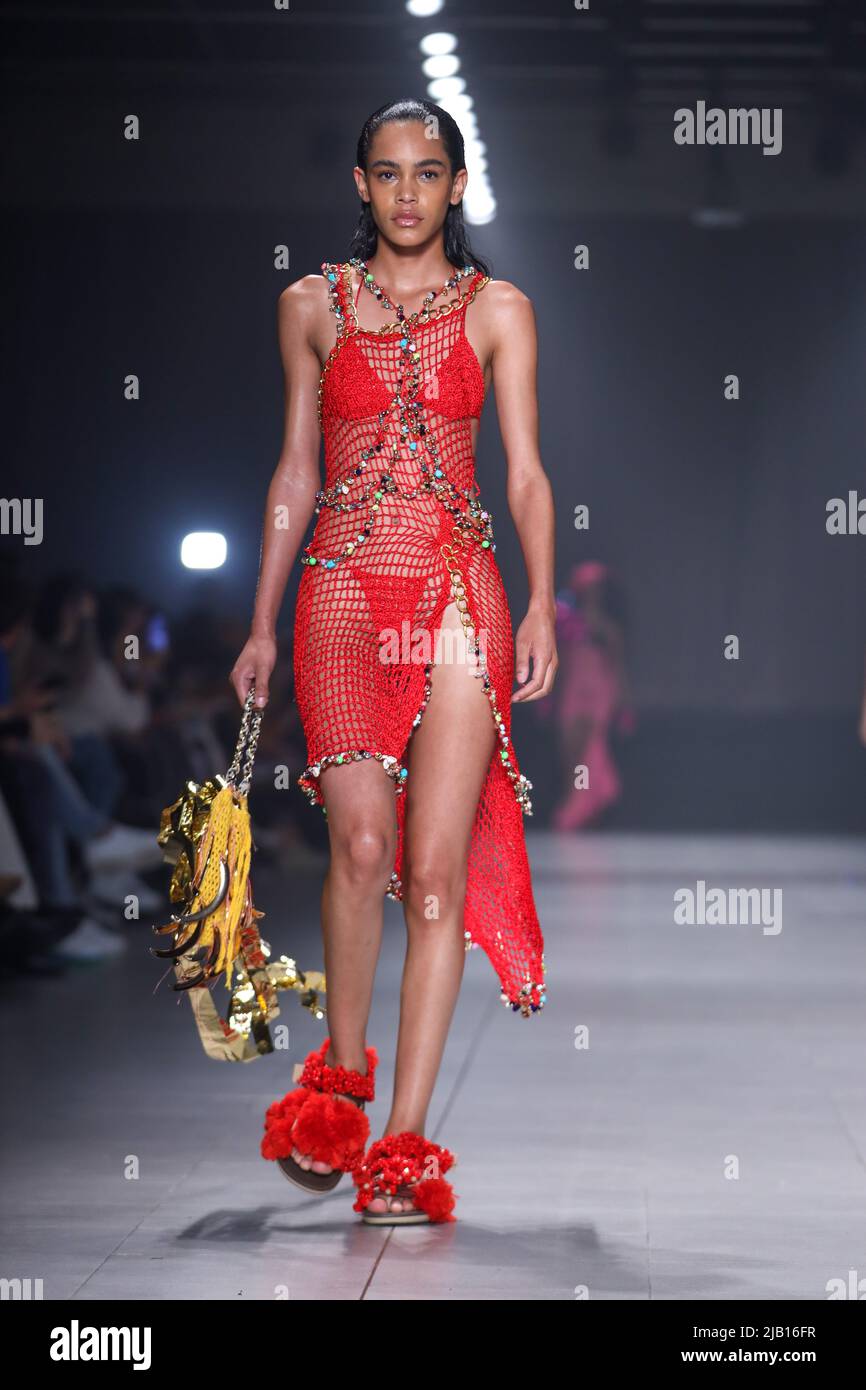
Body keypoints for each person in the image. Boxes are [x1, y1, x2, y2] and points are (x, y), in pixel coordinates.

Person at [231, 99, 557, 1224]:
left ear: (456, 186)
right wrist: (263, 620)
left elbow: (521, 473)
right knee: (360, 846)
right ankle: (341, 1073)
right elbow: (291, 471)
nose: (409, 191)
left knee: (431, 874)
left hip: (456, 585)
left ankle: (405, 1142)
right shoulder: (309, 306)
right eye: (388, 172)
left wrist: (543, 602)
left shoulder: (499, 309)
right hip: (337, 592)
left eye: (429, 171)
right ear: (360, 185)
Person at [544, 561, 633, 831]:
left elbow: (618, 667)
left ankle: (580, 810)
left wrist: (624, 704)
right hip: (573, 687)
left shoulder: (608, 628)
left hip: (598, 690)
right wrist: (549, 695)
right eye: (588, 588)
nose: (592, 593)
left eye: (596, 589)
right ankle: (583, 803)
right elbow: (558, 660)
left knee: (590, 746)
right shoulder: (565, 620)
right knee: (569, 749)